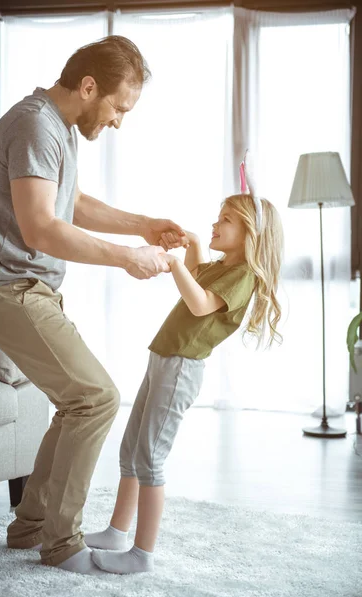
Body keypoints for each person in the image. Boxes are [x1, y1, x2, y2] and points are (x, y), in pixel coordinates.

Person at [0, 35, 185, 576]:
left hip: (27, 288)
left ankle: (31, 525)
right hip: (5, 288)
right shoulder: (35, 123)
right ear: (89, 87)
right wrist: (127, 257)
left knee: (79, 400)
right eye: (118, 107)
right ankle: (60, 544)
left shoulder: (58, 127)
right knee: (96, 397)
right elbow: (41, 226)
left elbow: (72, 202)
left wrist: (142, 224)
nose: (118, 121)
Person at [89, 191, 284, 574]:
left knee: (149, 459)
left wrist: (172, 264)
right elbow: (197, 276)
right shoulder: (222, 266)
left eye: (226, 219)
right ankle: (116, 532)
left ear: (251, 234)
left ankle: (141, 555)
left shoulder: (243, 277)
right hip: (162, 361)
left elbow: (199, 303)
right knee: (130, 451)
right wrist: (194, 244)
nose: (216, 223)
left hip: (180, 369)